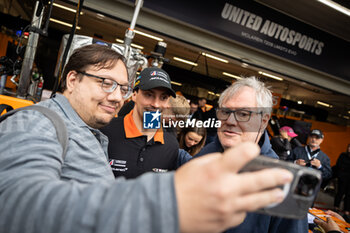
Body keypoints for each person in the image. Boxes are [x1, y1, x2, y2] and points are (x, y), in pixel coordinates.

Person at [0, 45, 295, 233]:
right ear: (72, 79)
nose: (115, 95)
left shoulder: (165, 145)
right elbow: (11, 204)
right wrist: (167, 202)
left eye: (122, 87)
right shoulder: (39, 121)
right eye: (105, 83)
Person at [193, 77, 308, 233]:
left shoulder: (283, 185)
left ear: (264, 120)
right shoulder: (201, 158)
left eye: (243, 114)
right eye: (225, 111)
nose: (230, 120)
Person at [101, 67, 180, 179]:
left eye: (163, 97)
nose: (156, 104)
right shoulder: (105, 130)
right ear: (134, 95)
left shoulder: (171, 145)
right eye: (149, 95)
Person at [334, 143, 350, 217]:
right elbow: (338, 165)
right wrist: (340, 175)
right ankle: (336, 208)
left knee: (348, 195)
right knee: (340, 193)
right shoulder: (343, 155)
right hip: (342, 178)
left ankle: (346, 211)